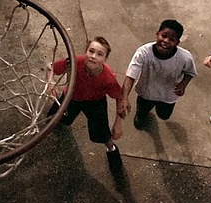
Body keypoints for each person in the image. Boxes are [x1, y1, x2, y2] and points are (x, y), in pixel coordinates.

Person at [46, 36, 124, 170]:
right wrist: (51, 81)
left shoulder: (108, 78)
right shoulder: (75, 62)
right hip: (71, 97)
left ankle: (111, 149)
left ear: (105, 59)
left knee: (102, 132)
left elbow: (119, 97)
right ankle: (59, 121)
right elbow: (50, 67)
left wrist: (118, 123)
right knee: (54, 118)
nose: (93, 56)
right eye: (91, 51)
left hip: (95, 102)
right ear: (86, 52)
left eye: (99, 54)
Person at [119, 19, 197, 129]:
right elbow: (131, 76)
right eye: (164, 35)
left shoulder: (185, 57)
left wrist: (183, 85)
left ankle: (153, 113)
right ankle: (141, 116)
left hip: (168, 96)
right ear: (157, 34)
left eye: (172, 39)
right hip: (146, 93)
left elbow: (190, 72)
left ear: (177, 42)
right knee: (142, 111)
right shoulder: (143, 52)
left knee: (164, 115)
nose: (166, 41)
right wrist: (124, 98)